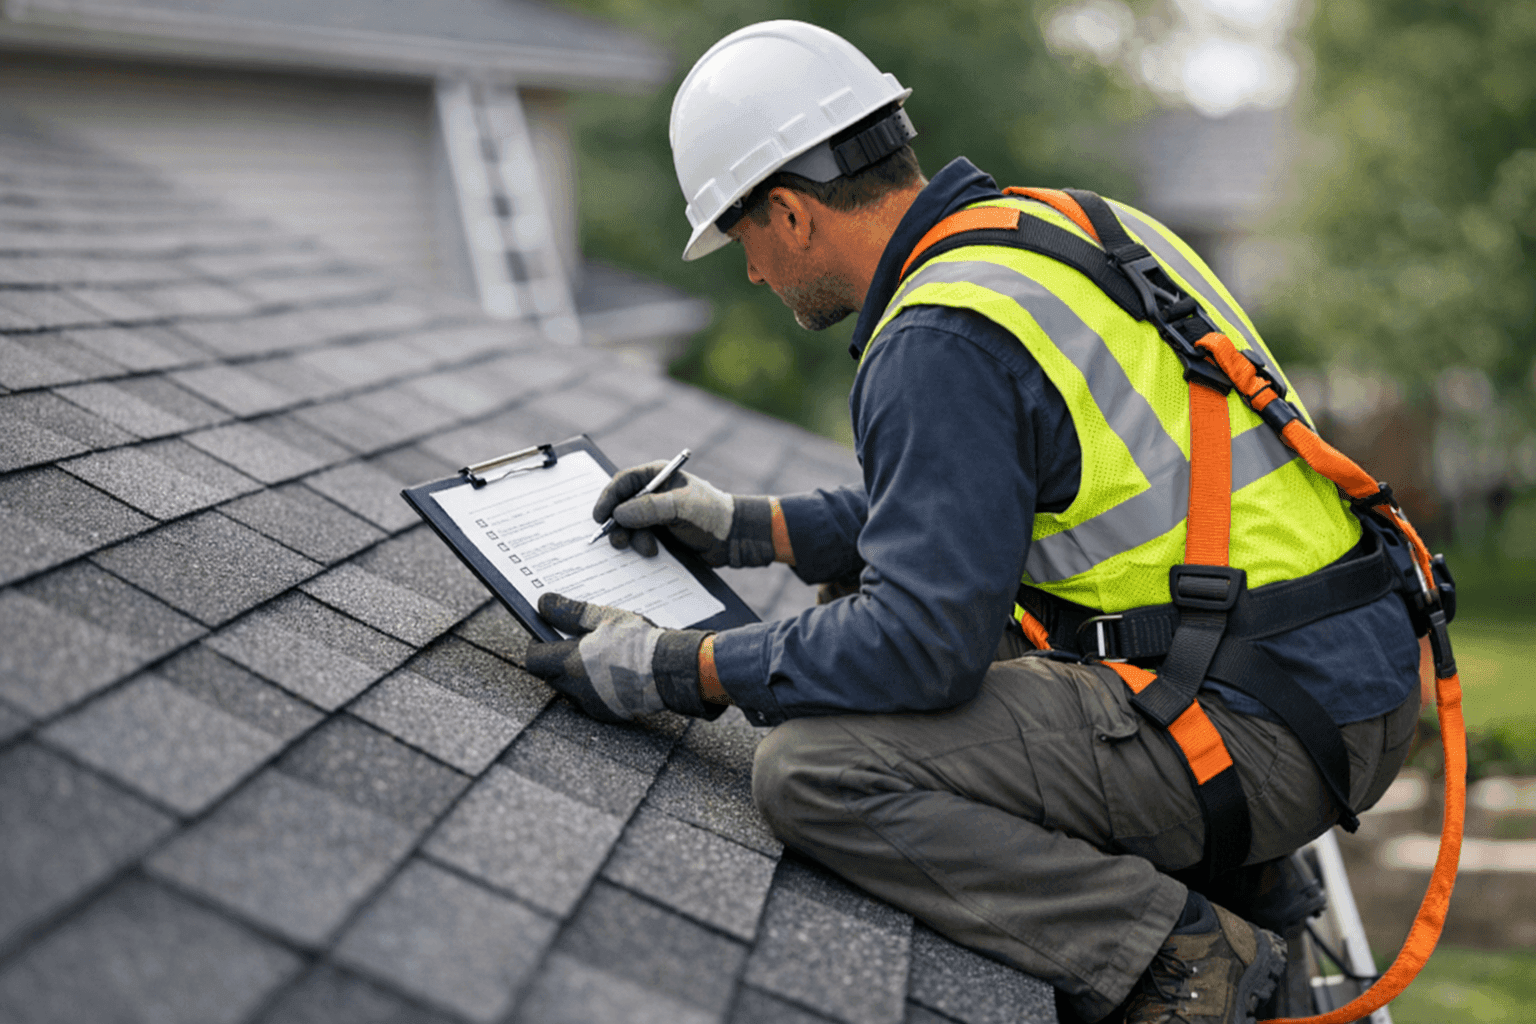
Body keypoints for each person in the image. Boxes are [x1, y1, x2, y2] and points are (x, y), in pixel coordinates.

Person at [523, 20, 1424, 1024]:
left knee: (816, 767)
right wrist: (745, 524)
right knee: (842, 623)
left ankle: (1190, 953)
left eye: (742, 241)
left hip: (1268, 727)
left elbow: (919, 646)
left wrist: (676, 667)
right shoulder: (1067, 228)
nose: (751, 275)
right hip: (1338, 674)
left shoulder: (938, 337)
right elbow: (969, 506)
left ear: (789, 213)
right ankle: (1256, 883)